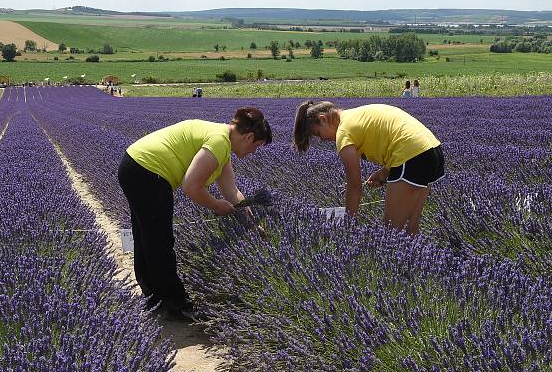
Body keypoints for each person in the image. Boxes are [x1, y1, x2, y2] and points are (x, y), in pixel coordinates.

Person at [118, 107, 272, 320]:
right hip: (148, 171)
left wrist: (253, 224)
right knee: (160, 241)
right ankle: (177, 304)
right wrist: (216, 205)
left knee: (147, 237)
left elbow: (232, 192)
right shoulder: (219, 142)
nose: (253, 153)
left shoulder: (222, 144)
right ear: (249, 137)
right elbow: (191, 187)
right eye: (256, 147)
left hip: (135, 165)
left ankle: (154, 298)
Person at [293, 101, 443, 235]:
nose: (322, 139)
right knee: (411, 230)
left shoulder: (343, 133)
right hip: (432, 151)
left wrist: (348, 225)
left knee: (390, 234)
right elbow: (396, 136)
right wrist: (384, 173)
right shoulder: (356, 114)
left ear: (323, 119)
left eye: (318, 133)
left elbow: (354, 187)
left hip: (411, 157)